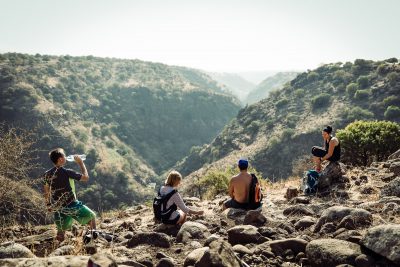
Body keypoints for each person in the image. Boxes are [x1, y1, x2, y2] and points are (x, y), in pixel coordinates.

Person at [43, 148, 96, 242]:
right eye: (64, 155)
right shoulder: (67, 172)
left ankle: (57, 252)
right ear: (60, 159)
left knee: (61, 231)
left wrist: (48, 204)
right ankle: (92, 243)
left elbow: (46, 191)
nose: (66, 157)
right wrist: (80, 163)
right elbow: (86, 178)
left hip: (58, 207)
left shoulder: (47, 174)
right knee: (91, 217)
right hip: (72, 204)